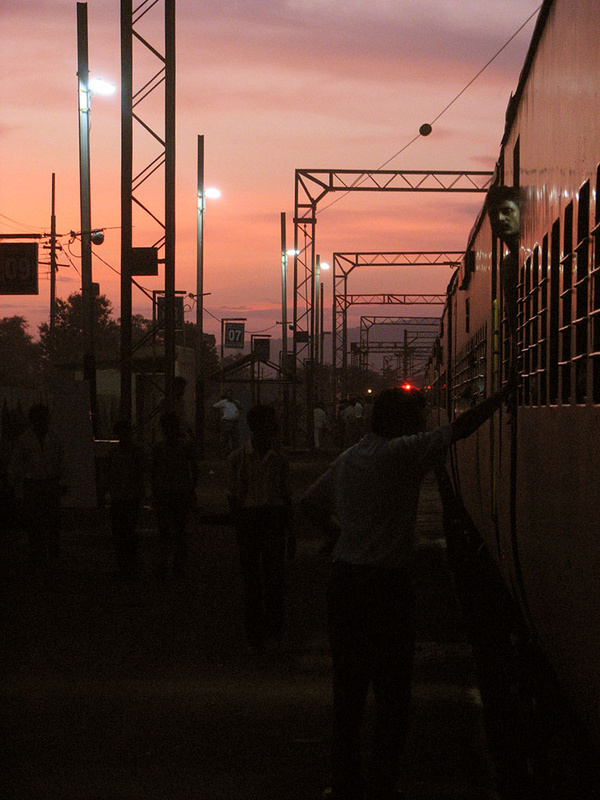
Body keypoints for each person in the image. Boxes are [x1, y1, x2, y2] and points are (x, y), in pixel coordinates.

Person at [301, 383, 512, 800]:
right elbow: (460, 428)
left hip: (345, 583)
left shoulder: (350, 458)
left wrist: (336, 536)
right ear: (399, 422)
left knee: (348, 693)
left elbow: (309, 503)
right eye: (415, 417)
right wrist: (501, 395)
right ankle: (383, 785)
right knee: (393, 694)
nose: (420, 423)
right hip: (386, 588)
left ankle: (345, 784)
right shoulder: (402, 453)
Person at [227, 404, 293, 653]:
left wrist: (290, 527)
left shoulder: (275, 458)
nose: (274, 427)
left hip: (268, 518)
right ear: (256, 426)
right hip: (255, 519)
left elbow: (285, 493)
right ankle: (258, 634)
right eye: (269, 422)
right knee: (255, 580)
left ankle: (271, 632)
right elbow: (234, 496)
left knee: (272, 578)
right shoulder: (239, 458)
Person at [8, 403, 66, 565]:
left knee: (51, 520)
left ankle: (48, 550)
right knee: (35, 521)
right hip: (34, 484)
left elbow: (62, 462)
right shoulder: (26, 439)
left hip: (47, 483)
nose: (42, 420)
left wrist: (61, 481)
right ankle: (39, 552)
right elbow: (16, 465)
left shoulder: (52, 438)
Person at [151, 412, 198, 580]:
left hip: (169, 492)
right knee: (177, 532)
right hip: (177, 492)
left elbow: (153, 472)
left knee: (167, 531)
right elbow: (194, 469)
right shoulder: (184, 446)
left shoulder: (160, 448)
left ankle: (166, 564)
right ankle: (176, 565)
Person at [107, 420, 146, 580]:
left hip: (126, 497)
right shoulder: (133, 453)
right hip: (125, 497)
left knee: (124, 533)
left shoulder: (119, 454)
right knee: (124, 533)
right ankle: (128, 566)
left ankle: (127, 565)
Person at [487, 185, 521, 337]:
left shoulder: (509, 265)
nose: (500, 218)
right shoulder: (507, 266)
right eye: (494, 214)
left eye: (506, 211)